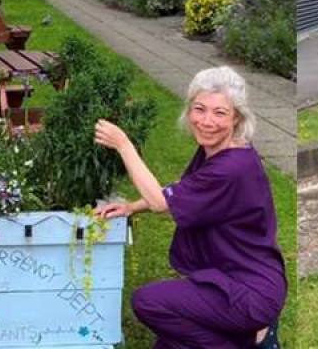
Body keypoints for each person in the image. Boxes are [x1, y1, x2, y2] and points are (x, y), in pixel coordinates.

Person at [94, 66, 286, 349]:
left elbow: (162, 202)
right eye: (200, 109)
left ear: (237, 118)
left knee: (148, 302)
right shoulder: (223, 151)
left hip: (249, 292)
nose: (207, 121)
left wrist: (124, 146)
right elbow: (185, 191)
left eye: (220, 113)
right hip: (232, 279)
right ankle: (246, 337)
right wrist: (132, 206)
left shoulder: (231, 167)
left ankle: (249, 339)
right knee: (170, 343)